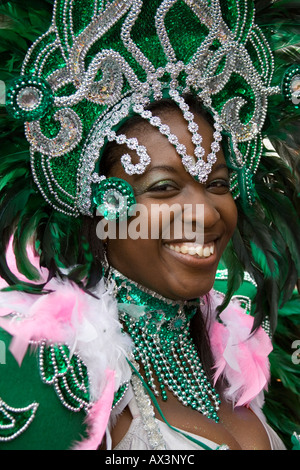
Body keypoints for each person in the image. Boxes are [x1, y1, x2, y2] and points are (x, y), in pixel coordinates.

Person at [0, 0, 300, 450]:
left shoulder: (236, 339)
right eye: (162, 188)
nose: (206, 211)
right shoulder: (40, 357)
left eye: (217, 182)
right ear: (96, 205)